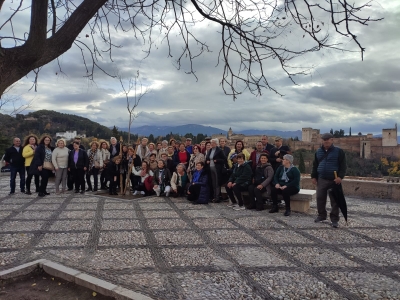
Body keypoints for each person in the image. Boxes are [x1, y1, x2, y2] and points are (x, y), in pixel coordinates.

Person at [311, 133, 347, 228]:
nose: (326, 141)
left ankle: (334, 219)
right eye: (324, 139)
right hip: (322, 178)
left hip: (334, 180)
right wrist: (314, 176)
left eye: (328, 139)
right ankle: (321, 215)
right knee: (320, 198)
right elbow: (315, 165)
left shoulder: (339, 151)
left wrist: (340, 177)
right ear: (322, 141)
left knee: (335, 201)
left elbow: (343, 166)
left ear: (332, 140)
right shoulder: (318, 152)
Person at [205, 138, 226, 202]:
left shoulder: (219, 150)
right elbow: (207, 158)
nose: (212, 144)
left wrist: (217, 160)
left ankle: (217, 197)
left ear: (216, 144)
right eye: (211, 143)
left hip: (217, 169)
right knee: (213, 183)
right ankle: (213, 196)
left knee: (217, 183)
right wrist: (207, 161)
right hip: (210, 168)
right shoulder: (210, 150)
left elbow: (224, 159)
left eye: (213, 143)